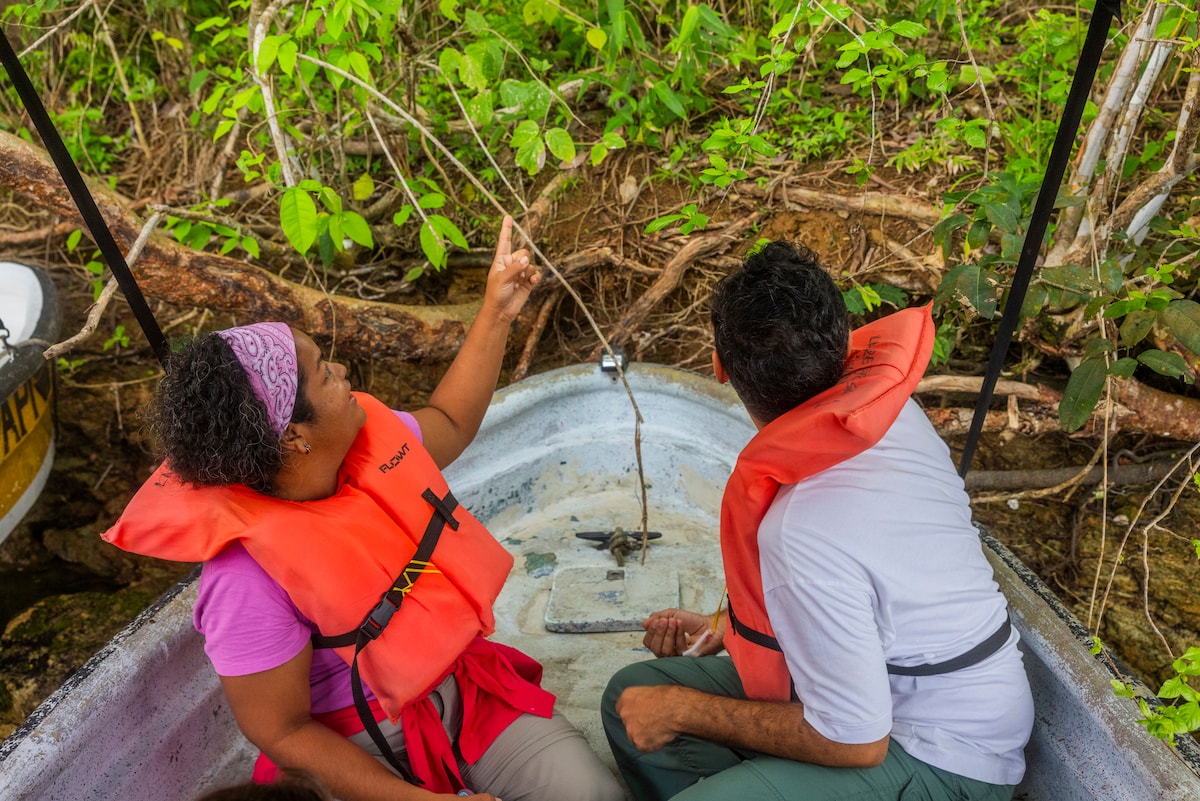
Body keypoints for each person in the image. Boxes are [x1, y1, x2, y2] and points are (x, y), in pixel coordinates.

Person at [105, 217, 625, 801]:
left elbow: (450, 423)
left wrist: (497, 313)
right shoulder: (245, 579)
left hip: (464, 694)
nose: (343, 371)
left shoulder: (360, 446)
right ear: (294, 438)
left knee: (593, 796)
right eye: (325, 373)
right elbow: (282, 732)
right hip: (356, 744)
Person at [601, 241, 1034, 801]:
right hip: (903, 691)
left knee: (665, 710)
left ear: (719, 368)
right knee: (633, 692)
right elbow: (864, 590)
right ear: (842, 341)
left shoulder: (798, 531)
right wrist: (730, 629)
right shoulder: (889, 411)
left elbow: (857, 739)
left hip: (946, 753)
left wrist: (684, 709)